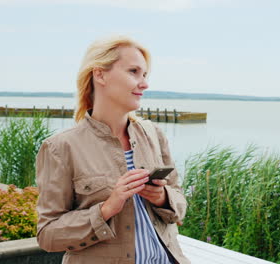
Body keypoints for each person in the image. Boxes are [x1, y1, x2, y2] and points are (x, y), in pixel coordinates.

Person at [35, 35, 190, 264]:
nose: (145, 83)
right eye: (133, 72)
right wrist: (106, 209)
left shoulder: (153, 134)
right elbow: (47, 234)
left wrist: (162, 197)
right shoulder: (60, 148)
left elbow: (180, 202)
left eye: (145, 74)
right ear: (100, 75)